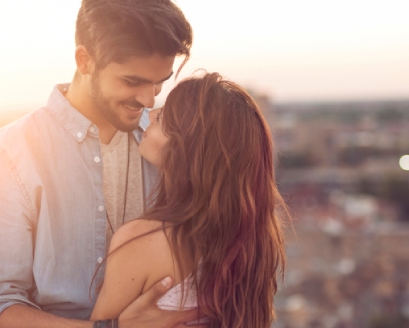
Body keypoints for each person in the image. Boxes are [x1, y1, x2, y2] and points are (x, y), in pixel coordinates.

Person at [0, 0, 197, 327]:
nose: (149, 100)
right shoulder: (6, 156)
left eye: (159, 82)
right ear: (85, 60)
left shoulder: (167, 141)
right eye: (132, 82)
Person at [89, 72, 288, 328]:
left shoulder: (140, 242)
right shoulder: (252, 243)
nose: (151, 114)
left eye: (164, 118)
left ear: (189, 148)